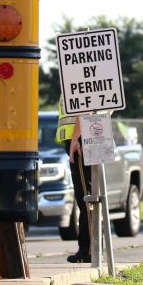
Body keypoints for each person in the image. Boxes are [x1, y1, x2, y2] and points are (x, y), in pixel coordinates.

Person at [58, 98, 91, 263]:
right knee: (88, 197)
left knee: (86, 198)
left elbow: (83, 107)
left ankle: (88, 250)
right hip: (86, 136)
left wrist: (76, 138)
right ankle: (91, 249)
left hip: (80, 140)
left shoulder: (76, 73)